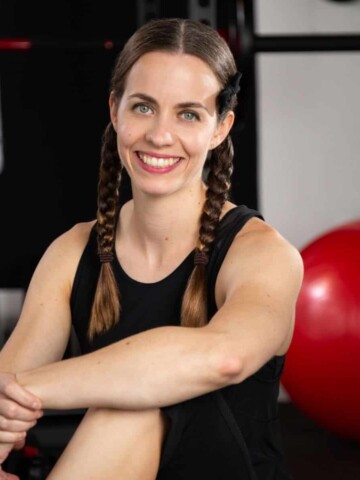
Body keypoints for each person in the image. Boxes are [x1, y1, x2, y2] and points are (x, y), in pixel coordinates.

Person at [0, 17, 304, 480]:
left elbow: (225, 356)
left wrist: (28, 389)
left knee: (136, 404)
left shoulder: (262, 253)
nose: (160, 135)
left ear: (221, 127)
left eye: (188, 114)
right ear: (115, 110)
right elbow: (6, 402)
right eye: (143, 107)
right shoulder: (72, 252)